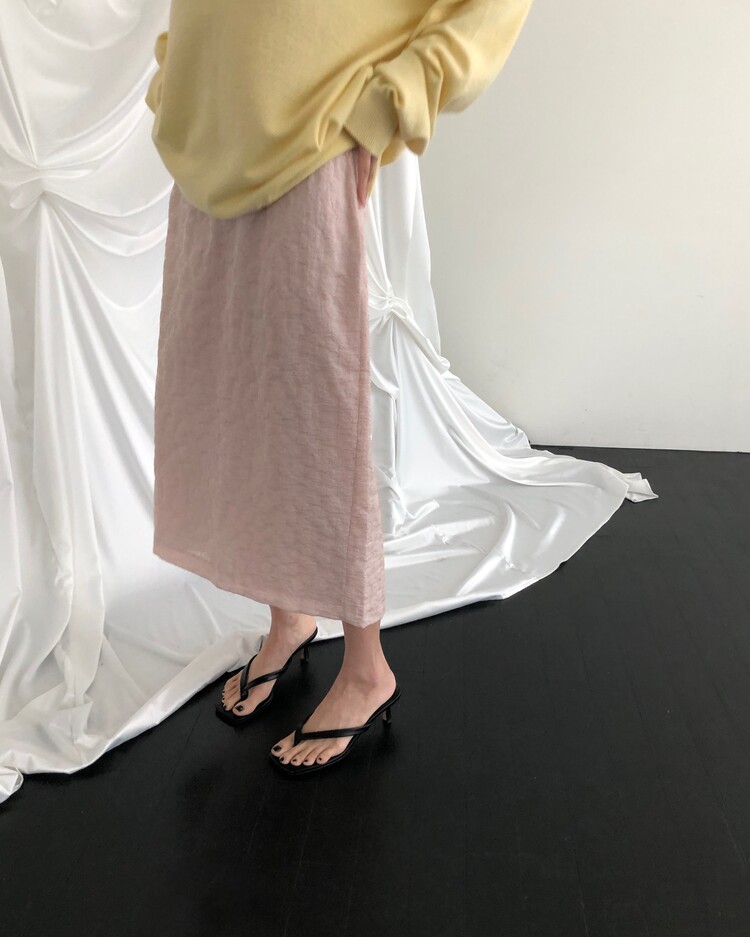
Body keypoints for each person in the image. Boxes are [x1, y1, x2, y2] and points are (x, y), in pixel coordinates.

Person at [145, 0, 533, 777]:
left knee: (313, 403)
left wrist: (392, 99)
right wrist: (178, 71)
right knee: (233, 388)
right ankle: (289, 615)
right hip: (211, 125)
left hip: (313, 123)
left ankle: (365, 664)